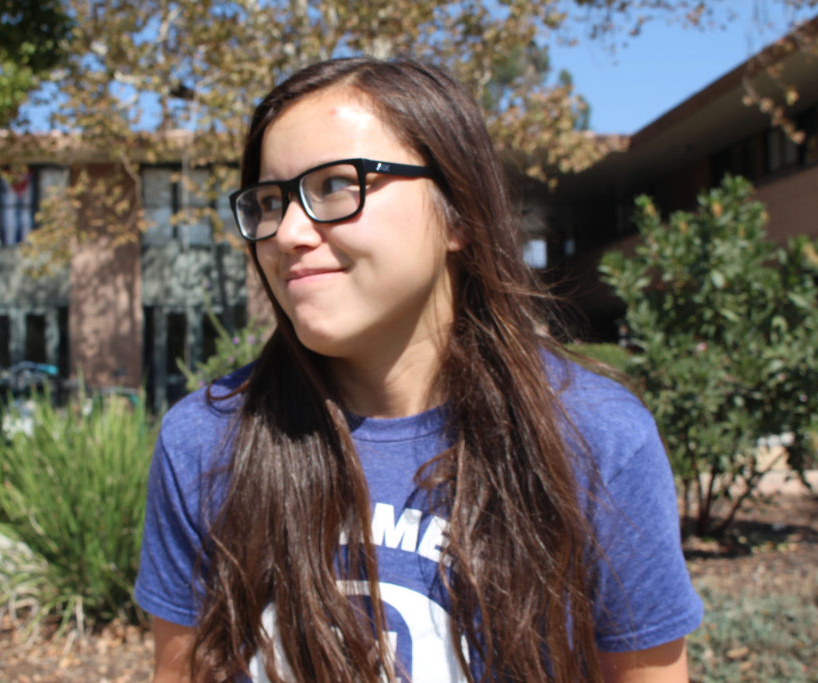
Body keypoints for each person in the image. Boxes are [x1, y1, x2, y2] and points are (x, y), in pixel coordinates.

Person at [135, 57, 703, 682]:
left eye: (334, 185)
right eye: (270, 201)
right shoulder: (206, 439)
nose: (289, 231)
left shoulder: (595, 438)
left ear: (457, 211)